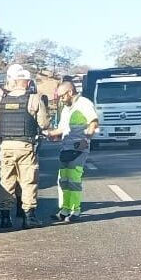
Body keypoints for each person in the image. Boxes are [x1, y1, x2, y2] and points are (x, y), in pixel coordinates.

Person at [0, 65, 53, 228]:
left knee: (5, 181)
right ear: (27, 82)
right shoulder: (33, 98)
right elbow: (44, 123)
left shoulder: (0, 96)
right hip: (25, 145)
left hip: (4, 144)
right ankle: (28, 216)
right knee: (27, 181)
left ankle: (5, 218)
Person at [44, 81, 100, 223]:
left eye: (62, 96)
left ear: (70, 92)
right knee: (63, 180)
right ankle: (64, 210)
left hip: (79, 148)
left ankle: (75, 210)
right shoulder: (66, 109)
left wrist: (86, 140)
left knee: (74, 180)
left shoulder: (84, 104)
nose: (61, 99)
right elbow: (62, 129)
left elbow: (93, 123)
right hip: (66, 148)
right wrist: (49, 134)